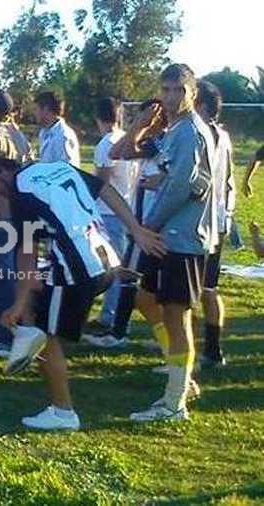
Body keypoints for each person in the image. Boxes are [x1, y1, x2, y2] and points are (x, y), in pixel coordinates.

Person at [0, 157, 165, 431]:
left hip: (77, 269)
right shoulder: (56, 166)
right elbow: (105, 189)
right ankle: (28, 334)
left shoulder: (19, 189)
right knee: (39, 308)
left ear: (2, 174)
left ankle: (63, 412)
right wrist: (135, 229)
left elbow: (27, 253)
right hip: (106, 260)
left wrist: (17, 304)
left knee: (45, 335)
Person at [129, 64, 218, 423]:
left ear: (192, 93)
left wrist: (147, 225)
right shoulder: (178, 128)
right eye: (165, 89)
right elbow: (191, 179)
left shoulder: (189, 130)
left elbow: (183, 186)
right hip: (169, 236)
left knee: (176, 315)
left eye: (178, 90)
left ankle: (174, 403)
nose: (169, 97)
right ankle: (181, 376)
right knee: (145, 298)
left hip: (181, 238)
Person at [84, 100, 170, 353]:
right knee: (143, 283)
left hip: (154, 223)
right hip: (142, 219)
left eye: (147, 115)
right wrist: (138, 126)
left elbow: (180, 174)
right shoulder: (151, 141)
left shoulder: (167, 140)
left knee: (131, 277)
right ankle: (165, 341)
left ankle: (119, 332)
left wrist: (162, 180)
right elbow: (118, 152)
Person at [85, 97, 138, 341]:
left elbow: (101, 182)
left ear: (98, 118)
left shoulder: (106, 143)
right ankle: (112, 315)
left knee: (113, 268)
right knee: (118, 266)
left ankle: (111, 318)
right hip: (126, 208)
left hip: (109, 211)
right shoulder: (126, 139)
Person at [196, 81, 236, 368]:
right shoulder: (223, 135)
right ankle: (210, 348)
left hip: (203, 221)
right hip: (217, 219)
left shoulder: (204, 134)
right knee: (206, 288)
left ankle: (198, 348)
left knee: (196, 289)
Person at [34, 91, 81, 167]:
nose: (35, 113)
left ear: (46, 109)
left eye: (36, 109)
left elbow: (67, 169)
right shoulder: (44, 132)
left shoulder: (63, 136)